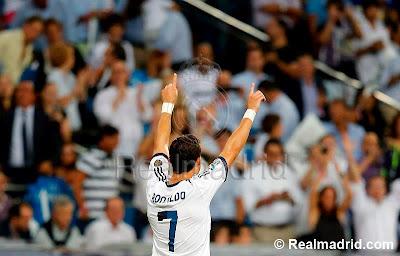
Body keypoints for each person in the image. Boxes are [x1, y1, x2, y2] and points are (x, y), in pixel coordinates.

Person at [147, 73, 265, 255]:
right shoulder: (200, 187)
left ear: (169, 161)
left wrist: (168, 104)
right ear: (197, 164)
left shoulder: (155, 186)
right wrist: (251, 110)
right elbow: (231, 150)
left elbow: (160, 142)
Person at [0, 81, 60, 187]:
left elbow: (56, 144)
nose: (22, 94)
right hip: (9, 172)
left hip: (37, 171)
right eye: (19, 90)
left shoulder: (45, 119)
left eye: (26, 91)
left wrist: (50, 162)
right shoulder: (5, 118)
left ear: (34, 95)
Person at [242, 139, 301, 243]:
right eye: (272, 154)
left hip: (287, 230)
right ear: (265, 155)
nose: (276, 157)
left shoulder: (289, 173)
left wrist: (288, 198)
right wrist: (268, 200)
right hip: (263, 231)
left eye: (279, 154)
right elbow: (247, 207)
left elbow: (299, 203)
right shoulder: (252, 174)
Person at [93, 60, 152, 157]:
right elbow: (103, 118)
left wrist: (139, 100)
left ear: (128, 74)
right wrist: (117, 100)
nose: (119, 75)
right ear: (111, 75)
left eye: (122, 71)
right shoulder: (103, 94)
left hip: (136, 143)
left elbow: (148, 116)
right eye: (116, 72)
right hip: (115, 144)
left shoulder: (135, 93)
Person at [76, 125, 121, 220]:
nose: (117, 142)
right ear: (104, 138)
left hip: (110, 217)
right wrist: (82, 207)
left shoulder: (116, 159)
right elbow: (76, 184)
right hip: (92, 214)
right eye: (114, 138)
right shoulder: (89, 157)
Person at [349, 169, 400, 251]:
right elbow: (356, 180)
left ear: (385, 189)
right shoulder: (361, 203)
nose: (377, 189)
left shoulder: (392, 203)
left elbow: (398, 184)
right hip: (365, 253)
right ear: (367, 189)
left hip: (390, 252)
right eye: (374, 186)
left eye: (380, 186)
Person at [47, 42, 90, 132]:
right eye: (71, 55)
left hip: (75, 124)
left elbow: (82, 98)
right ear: (62, 56)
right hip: (61, 127)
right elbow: (57, 103)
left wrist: (82, 81)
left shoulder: (70, 76)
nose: (74, 59)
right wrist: (78, 84)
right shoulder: (53, 76)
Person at [24, 161, 75, 225]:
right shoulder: (33, 186)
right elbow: (27, 205)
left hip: (58, 224)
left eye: (48, 164)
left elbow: (69, 203)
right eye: (43, 164)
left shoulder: (59, 184)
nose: (45, 166)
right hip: (36, 224)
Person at [306, 173, 351, 243]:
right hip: (321, 252)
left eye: (332, 197)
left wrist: (342, 178)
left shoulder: (339, 213)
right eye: (327, 197)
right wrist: (319, 177)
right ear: (321, 198)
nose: (329, 200)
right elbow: (313, 194)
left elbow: (350, 195)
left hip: (339, 252)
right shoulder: (315, 214)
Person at [0, 16, 43, 83]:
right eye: (34, 29)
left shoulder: (30, 50)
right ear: (25, 25)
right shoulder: (7, 37)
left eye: (38, 32)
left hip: (14, 86)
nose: (35, 34)